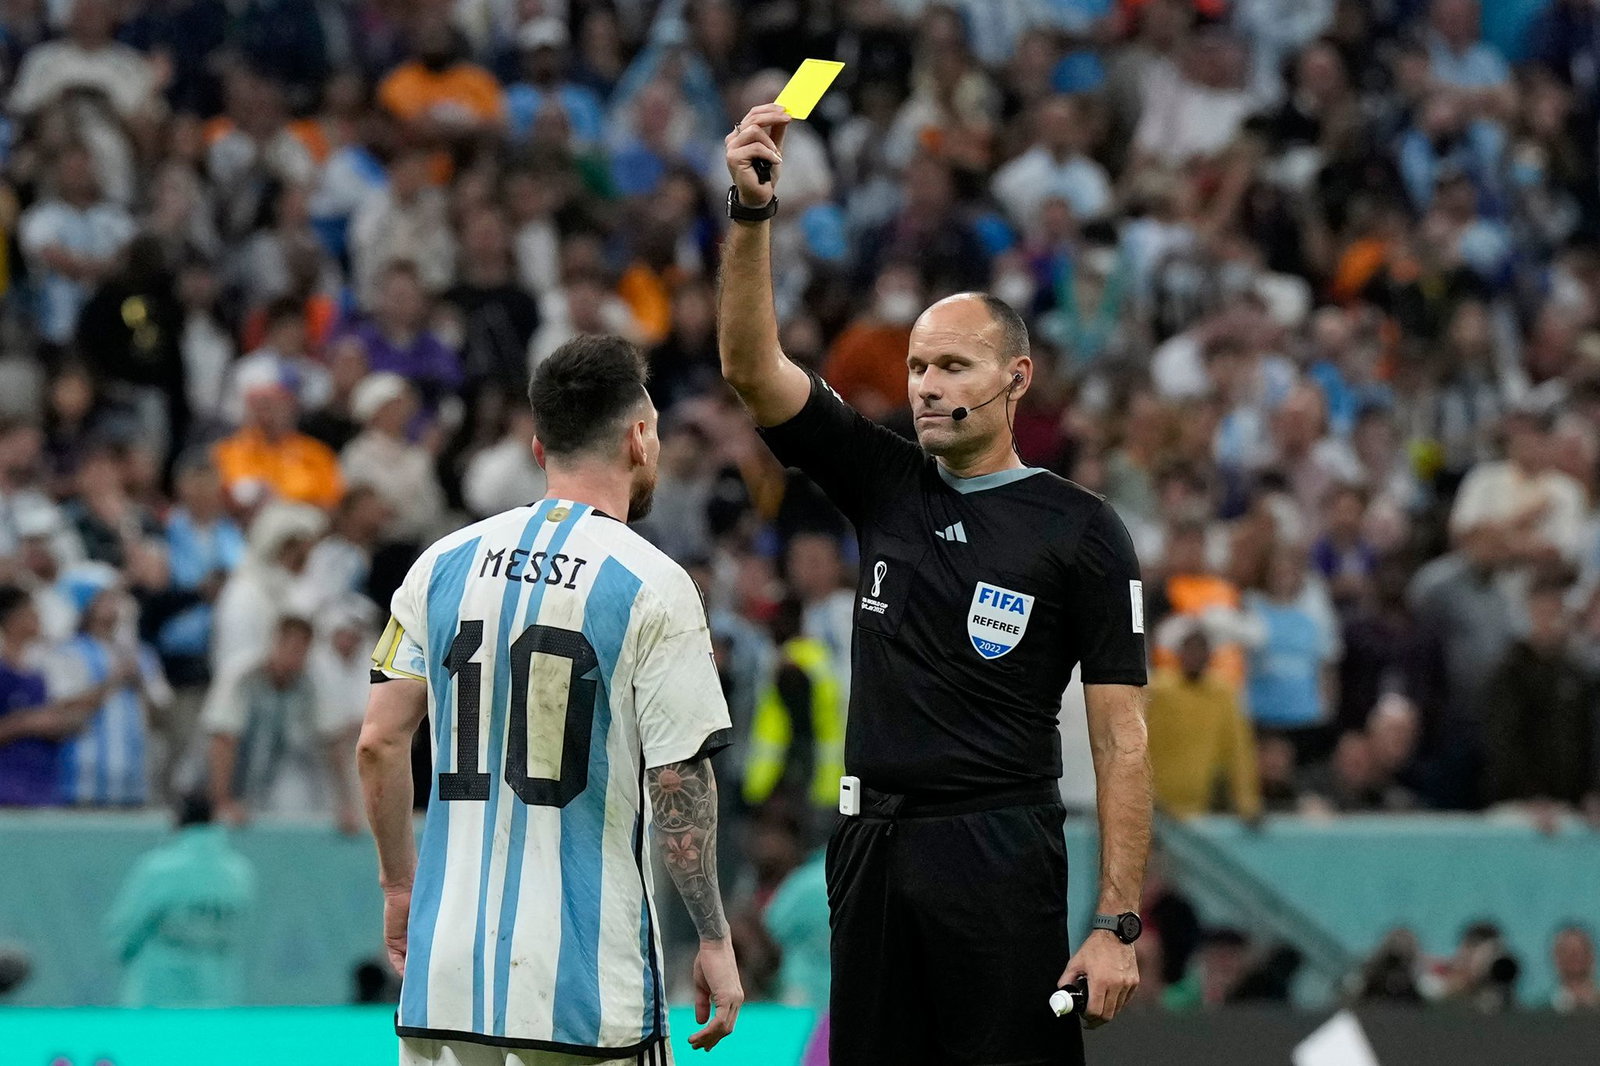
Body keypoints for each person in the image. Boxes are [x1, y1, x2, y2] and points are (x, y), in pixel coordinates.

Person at [719, 104, 1151, 1063]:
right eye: (916, 366)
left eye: (953, 365)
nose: (924, 383)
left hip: (997, 852)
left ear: (1017, 379)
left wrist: (1118, 923)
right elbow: (751, 369)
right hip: (869, 852)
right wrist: (752, 219)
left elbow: (1120, 736)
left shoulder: (1079, 529)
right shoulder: (886, 483)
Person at [357, 335, 742, 1066]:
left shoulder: (439, 565)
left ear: (539, 448)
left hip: (446, 978)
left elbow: (377, 743)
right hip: (586, 988)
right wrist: (714, 937)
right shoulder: (654, 584)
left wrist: (400, 888)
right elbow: (675, 780)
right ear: (638, 436)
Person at [104, 793, 257, 1007]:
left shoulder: (157, 870)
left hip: (158, 994)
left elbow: (123, 931)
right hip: (217, 994)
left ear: (176, 821)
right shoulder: (240, 871)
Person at [1146, 623, 1261, 819]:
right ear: (1179, 653)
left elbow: (1238, 750)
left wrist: (1247, 801)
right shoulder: (1159, 691)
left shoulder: (1222, 694)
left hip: (1203, 808)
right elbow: (1140, 745)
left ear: (1210, 655)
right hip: (1155, 807)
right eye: (1190, 649)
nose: (1195, 656)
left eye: (1201, 650)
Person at [1551, 925, 1600, 1013]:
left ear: (1591, 955)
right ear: (1556, 957)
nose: (1574, 957)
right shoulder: (1542, 1008)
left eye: (1580, 951)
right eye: (1567, 952)